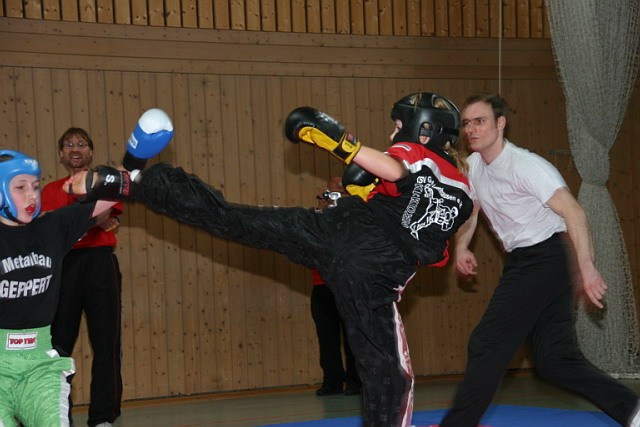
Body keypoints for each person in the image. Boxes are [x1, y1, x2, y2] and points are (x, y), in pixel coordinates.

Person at [67, 92, 475, 427]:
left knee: (234, 219)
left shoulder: (420, 156)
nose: (392, 133)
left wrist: (342, 143)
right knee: (388, 374)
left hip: (334, 232)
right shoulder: (463, 193)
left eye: (398, 127)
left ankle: (135, 184)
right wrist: (457, 246)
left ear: (424, 130)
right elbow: (441, 215)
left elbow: (394, 168)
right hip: (373, 273)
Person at [436, 92, 640, 427]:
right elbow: (472, 211)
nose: (471, 129)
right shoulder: (474, 167)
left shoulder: (527, 166)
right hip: (527, 260)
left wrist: (588, 268)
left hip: (547, 256)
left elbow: (574, 213)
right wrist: (462, 247)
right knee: (554, 359)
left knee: (486, 342)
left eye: (480, 121)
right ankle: (633, 411)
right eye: (467, 123)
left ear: (500, 123)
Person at [0, 150, 119, 427]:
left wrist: (94, 182)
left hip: (40, 364)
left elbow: (118, 190)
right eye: (20, 187)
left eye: (35, 186)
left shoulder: (52, 228)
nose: (32, 196)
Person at [41, 128, 124, 427]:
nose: (74, 148)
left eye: (81, 144)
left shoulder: (105, 186)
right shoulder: (50, 191)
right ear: (61, 154)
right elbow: (49, 226)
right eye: (68, 144)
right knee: (59, 345)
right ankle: (58, 415)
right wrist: (94, 218)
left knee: (106, 342)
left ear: (90, 152)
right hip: (64, 266)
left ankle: (103, 418)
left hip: (100, 264)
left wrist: (92, 211)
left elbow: (105, 218)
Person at [312, 177, 361, 396]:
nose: (334, 194)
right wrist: (323, 210)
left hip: (348, 285)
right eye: (331, 191)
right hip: (322, 285)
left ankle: (355, 381)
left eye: (340, 191)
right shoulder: (317, 219)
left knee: (353, 335)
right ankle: (332, 381)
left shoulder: (355, 217)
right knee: (327, 336)